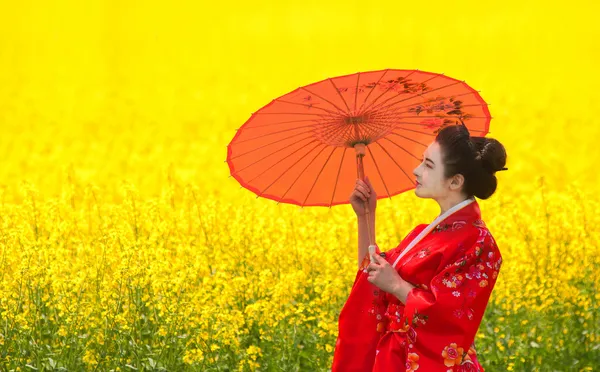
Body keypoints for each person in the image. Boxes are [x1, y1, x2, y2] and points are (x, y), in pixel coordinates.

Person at [331, 123, 508, 371]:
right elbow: (372, 278)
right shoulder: (424, 233)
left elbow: (449, 320)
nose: (416, 170)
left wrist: (396, 285)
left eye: (428, 165)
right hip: (393, 359)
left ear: (455, 181)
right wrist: (366, 217)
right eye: (421, 161)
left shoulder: (478, 242)